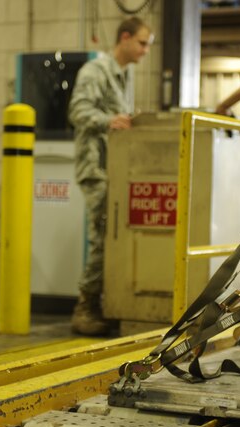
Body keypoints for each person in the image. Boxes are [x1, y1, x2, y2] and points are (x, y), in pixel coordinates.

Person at [67, 17, 154, 336]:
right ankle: (85, 307)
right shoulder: (96, 72)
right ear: (125, 38)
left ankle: (106, 303)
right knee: (103, 235)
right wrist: (109, 120)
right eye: (143, 43)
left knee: (114, 236)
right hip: (96, 167)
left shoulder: (123, 75)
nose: (146, 51)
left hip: (115, 167)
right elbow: (77, 111)